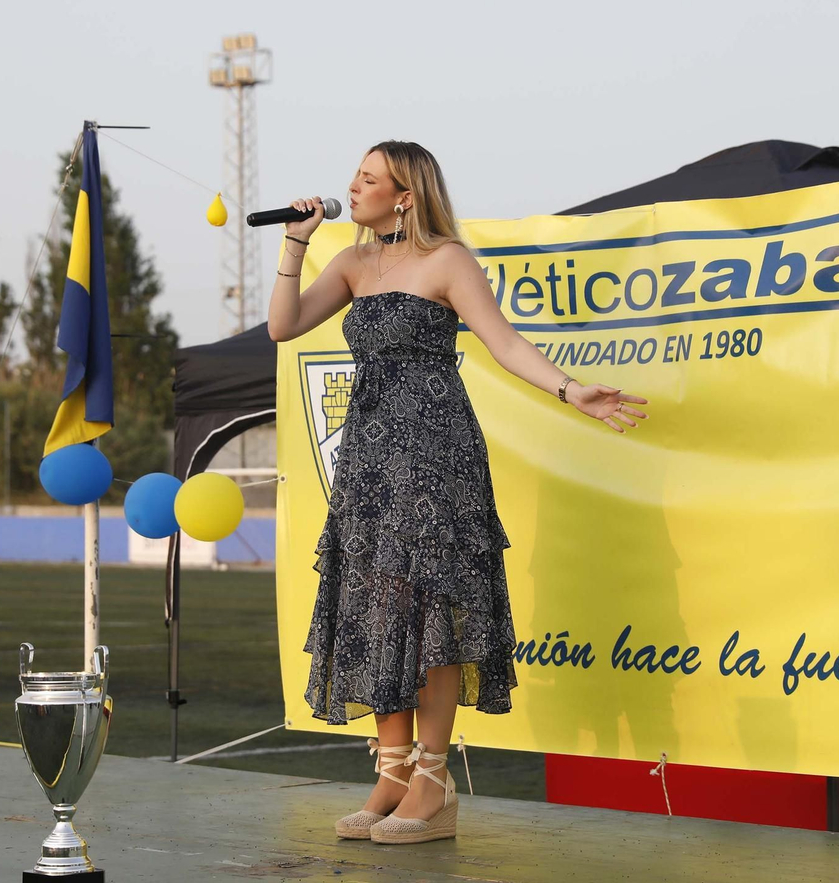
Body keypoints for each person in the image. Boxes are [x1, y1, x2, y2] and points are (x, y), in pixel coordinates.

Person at [267, 141, 649, 844]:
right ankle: (392, 770)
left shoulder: (447, 260)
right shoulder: (351, 262)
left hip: (436, 449)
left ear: (405, 195)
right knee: (381, 603)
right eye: (355, 176)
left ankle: (434, 781)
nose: (353, 187)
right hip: (371, 457)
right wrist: (296, 242)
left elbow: (504, 343)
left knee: (432, 607)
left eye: (369, 179)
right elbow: (283, 326)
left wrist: (571, 390)